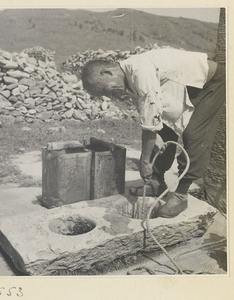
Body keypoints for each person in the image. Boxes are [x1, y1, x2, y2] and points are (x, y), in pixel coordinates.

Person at [81, 48, 226, 218]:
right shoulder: (128, 79)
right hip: (185, 85)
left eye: (105, 90)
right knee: (162, 131)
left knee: (193, 135)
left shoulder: (140, 70)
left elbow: (150, 120)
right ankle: (157, 182)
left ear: (107, 72)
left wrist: (144, 161)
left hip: (210, 83)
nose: (109, 96)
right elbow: (149, 114)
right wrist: (155, 136)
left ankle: (181, 194)